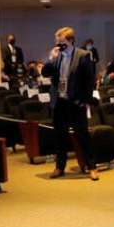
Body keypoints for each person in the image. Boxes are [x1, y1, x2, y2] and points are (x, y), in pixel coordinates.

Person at [41, 26, 99, 181]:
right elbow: (45, 73)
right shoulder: (57, 56)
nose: (59, 45)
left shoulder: (83, 55)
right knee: (60, 136)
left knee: (83, 136)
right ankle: (60, 167)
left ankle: (92, 167)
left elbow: (89, 81)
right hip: (60, 102)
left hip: (76, 102)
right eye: (57, 42)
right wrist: (51, 58)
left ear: (71, 41)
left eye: (62, 42)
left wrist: (84, 101)